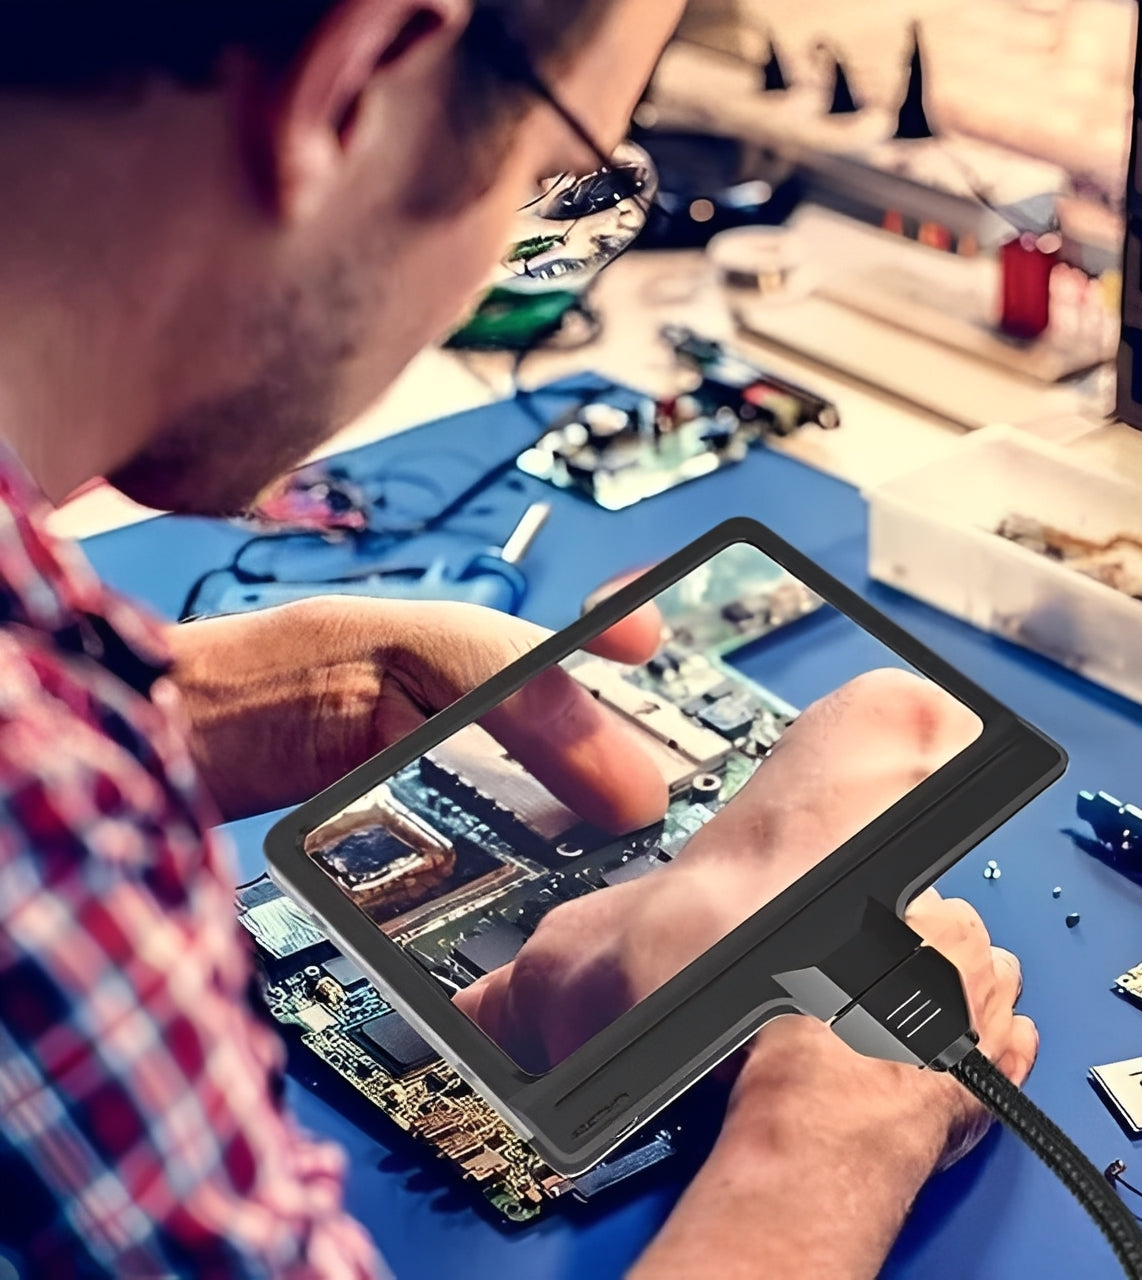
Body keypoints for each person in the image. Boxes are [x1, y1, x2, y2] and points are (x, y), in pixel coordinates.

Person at [0, 4, 1038, 1277]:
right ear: (354, 87)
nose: (514, 255)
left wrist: (167, 706)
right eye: (560, 181)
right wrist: (821, 1141)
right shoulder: (35, 812)